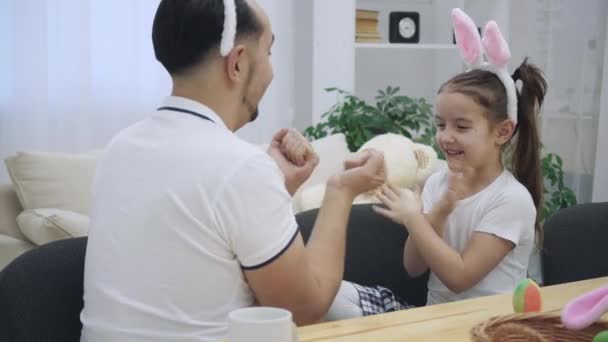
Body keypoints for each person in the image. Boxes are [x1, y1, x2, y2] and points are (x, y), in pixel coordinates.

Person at [79, 0, 386, 341]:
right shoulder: (241, 168)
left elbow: (200, 261)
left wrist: (277, 187)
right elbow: (306, 309)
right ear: (238, 63)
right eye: (268, 52)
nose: (271, 71)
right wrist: (340, 192)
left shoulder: (119, 148)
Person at [326, 8, 547, 319]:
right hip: (430, 320)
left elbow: (459, 277)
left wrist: (415, 219)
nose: (446, 137)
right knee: (324, 294)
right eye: (441, 124)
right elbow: (414, 266)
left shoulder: (511, 200)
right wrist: (438, 213)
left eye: (461, 126)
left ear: (502, 132)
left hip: (482, 328)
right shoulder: (438, 182)